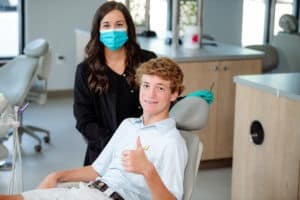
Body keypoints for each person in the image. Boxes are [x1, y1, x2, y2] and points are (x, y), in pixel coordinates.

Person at [0, 57, 187, 200]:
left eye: (160, 88)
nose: (150, 94)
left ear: (174, 94)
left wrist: (148, 171)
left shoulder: (172, 142)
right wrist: (57, 176)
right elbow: (97, 169)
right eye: (146, 85)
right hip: (91, 191)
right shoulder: (129, 125)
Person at [74, 1, 156, 166]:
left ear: (128, 28)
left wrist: (186, 99)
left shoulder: (147, 61)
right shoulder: (85, 71)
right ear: (98, 31)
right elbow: (84, 120)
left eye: (119, 24)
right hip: (104, 153)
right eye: (106, 25)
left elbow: (162, 99)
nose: (113, 30)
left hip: (145, 150)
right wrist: (114, 143)